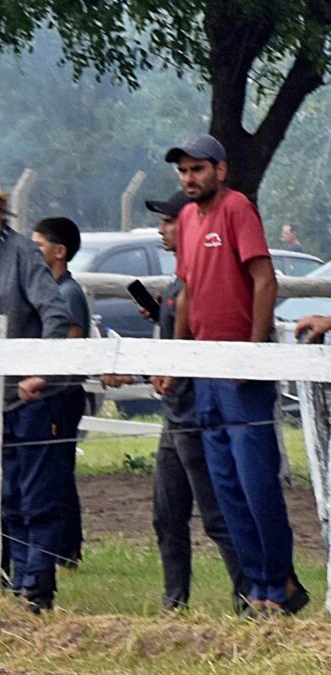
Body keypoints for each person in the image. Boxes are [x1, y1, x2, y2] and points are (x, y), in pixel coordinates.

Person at [163, 133, 305, 615]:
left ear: (219, 170)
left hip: (241, 369)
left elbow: (265, 279)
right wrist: (176, 360)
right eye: (183, 171)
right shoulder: (184, 218)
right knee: (224, 488)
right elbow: (183, 293)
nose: (189, 178)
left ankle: (278, 583)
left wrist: (253, 351)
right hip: (203, 368)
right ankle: (258, 590)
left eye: (197, 169)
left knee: (256, 482)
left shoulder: (238, 208)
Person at [103, 189, 247, 611]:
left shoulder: (197, 279)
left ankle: (249, 595)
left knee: (217, 516)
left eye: (168, 221)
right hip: (176, 414)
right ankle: (174, 601)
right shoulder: (178, 280)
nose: (161, 229)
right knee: (167, 516)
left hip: (195, 413)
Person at [0, 173, 73, 613]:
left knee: (37, 499)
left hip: (32, 399)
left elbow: (57, 314)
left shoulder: (24, 253)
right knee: (7, 496)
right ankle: (19, 584)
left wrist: (40, 371)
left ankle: (37, 589)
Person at [30, 217, 89, 568]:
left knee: (60, 472)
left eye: (39, 244)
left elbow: (72, 344)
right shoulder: (52, 289)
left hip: (62, 394)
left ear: (59, 251)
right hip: (52, 392)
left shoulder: (68, 293)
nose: (33, 249)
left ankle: (68, 548)